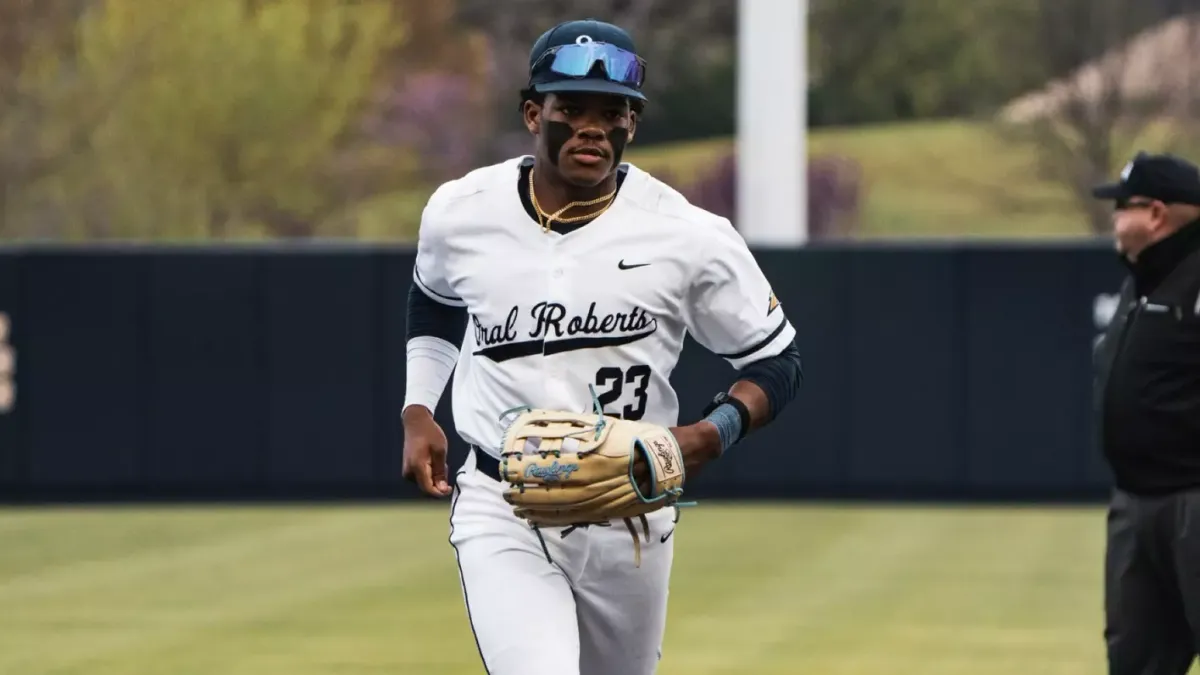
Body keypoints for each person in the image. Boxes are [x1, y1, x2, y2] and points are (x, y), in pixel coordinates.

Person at [399, 18, 803, 675]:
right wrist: (420, 406)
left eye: (612, 112)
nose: (593, 127)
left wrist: (712, 432)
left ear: (632, 125)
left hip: (630, 511)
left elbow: (778, 360)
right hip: (503, 499)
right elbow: (435, 297)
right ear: (534, 113)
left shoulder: (689, 235)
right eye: (572, 108)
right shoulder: (461, 211)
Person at [1092, 151, 1200, 675]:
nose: (1113, 218)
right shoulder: (1141, 280)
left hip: (1193, 499)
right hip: (1136, 500)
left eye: (1122, 206)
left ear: (1156, 214)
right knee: (1136, 660)